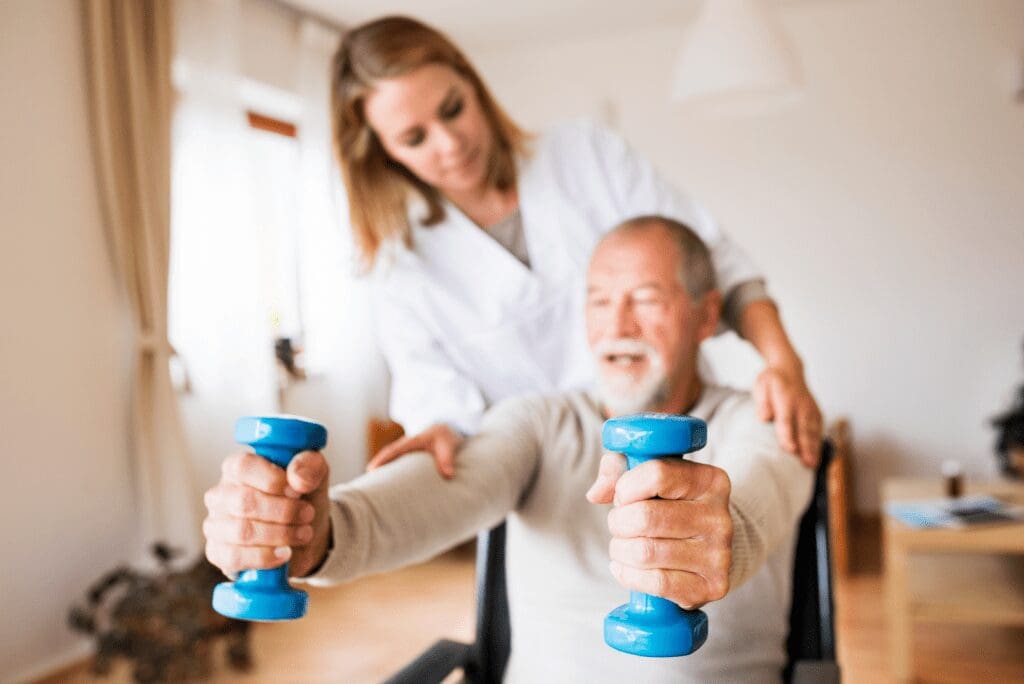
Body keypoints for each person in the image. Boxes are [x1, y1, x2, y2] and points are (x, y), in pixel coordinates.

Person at [204, 217, 814, 682]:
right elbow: (432, 493)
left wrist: (715, 541)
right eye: (599, 300)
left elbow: (757, 494)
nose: (618, 324)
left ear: (708, 316)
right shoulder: (538, 420)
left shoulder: (760, 417)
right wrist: (314, 529)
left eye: (647, 299)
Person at [330, 16, 823, 473]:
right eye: (415, 138)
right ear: (381, 151)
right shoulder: (401, 266)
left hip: (671, 444)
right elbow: (435, 400)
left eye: (453, 109)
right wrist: (436, 435)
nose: (450, 144)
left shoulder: (585, 157)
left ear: (472, 84)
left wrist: (785, 363)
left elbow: (714, 265)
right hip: (542, 482)